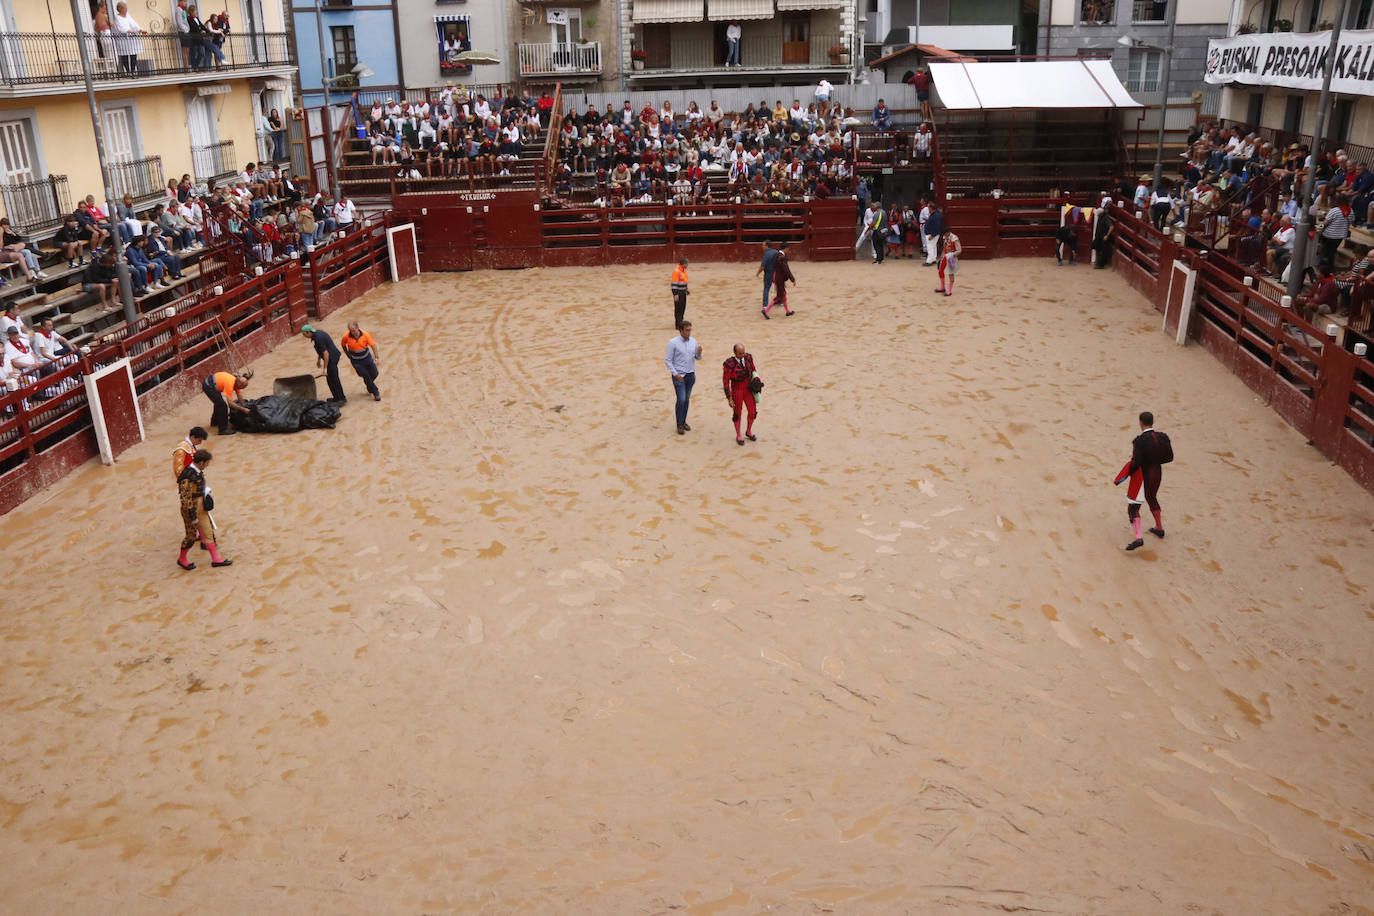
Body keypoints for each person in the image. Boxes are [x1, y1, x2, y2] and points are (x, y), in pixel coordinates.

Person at [1114, 410, 1171, 551]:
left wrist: (1128, 473)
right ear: (1152, 422)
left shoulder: (1139, 441)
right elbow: (1170, 457)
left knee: (1133, 506)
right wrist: (1155, 461)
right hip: (1157, 471)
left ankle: (1138, 537)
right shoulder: (1163, 437)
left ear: (1140, 422)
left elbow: (1136, 462)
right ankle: (1159, 528)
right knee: (1152, 497)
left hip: (1142, 474)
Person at [176, 449, 232, 570]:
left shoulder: (197, 472)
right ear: (201, 463)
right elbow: (186, 500)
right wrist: (193, 517)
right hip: (190, 509)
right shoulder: (187, 477)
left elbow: (199, 488)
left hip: (200, 506)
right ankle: (182, 559)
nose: (208, 465)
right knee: (190, 537)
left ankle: (216, 559)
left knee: (208, 531)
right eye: (207, 463)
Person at [665, 319, 702, 435]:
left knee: (686, 399)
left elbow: (697, 357)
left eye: (690, 330)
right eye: (686, 330)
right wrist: (676, 374)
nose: (689, 333)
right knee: (681, 399)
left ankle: (683, 421)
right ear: (680, 331)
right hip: (679, 376)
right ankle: (679, 424)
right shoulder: (673, 343)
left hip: (690, 375)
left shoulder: (693, 342)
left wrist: (699, 353)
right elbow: (668, 360)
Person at [722, 343, 758, 446]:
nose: (742, 355)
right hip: (736, 389)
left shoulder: (748, 357)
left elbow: (754, 370)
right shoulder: (729, 364)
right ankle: (738, 435)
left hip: (748, 388)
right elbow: (725, 382)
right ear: (735, 353)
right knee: (737, 413)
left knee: (752, 411)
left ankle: (748, 431)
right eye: (740, 354)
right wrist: (729, 398)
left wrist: (756, 379)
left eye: (743, 353)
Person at [301, 324, 346, 404]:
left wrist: (325, 369)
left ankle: (341, 399)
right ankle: (336, 397)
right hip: (331, 357)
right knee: (330, 379)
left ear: (308, 332)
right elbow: (321, 349)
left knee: (333, 379)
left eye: (304, 334)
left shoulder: (318, 338)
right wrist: (318, 360)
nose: (304, 336)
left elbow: (326, 353)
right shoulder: (317, 333)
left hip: (331, 358)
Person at [340, 321, 382, 401]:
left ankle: (369, 386)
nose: (352, 332)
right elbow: (343, 345)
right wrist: (347, 354)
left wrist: (376, 357)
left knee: (375, 373)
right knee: (366, 375)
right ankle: (375, 392)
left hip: (367, 358)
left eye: (353, 330)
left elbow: (373, 345)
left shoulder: (365, 335)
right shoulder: (346, 337)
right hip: (356, 362)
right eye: (350, 331)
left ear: (358, 328)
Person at [201, 369, 252, 435]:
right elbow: (230, 403)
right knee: (222, 406)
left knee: (219, 403)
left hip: (213, 384)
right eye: (242, 387)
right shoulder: (230, 384)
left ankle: (214, 422)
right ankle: (223, 429)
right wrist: (243, 409)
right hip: (208, 386)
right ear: (238, 384)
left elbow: (239, 396)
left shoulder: (236, 382)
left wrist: (244, 405)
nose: (242, 389)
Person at [111, 2, 147, 74]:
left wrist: (140, 30)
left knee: (133, 54)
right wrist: (133, 32)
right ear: (120, 9)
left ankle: (133, 70)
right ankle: (127, 71)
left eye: (126, 7)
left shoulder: (128, 16)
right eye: (124, 8)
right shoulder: (117, 18)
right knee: (125, 55)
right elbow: (122, 29)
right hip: (123, 40)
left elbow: (134, 24)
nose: (126, 9)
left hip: (132, 39)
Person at [764, 242, 795, 318]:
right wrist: (792, 279)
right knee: (779, 296)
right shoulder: (782, 257)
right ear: (786, 248)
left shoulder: (776, 254)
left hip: (775, 275)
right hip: (779, 278)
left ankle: (788, 311)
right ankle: (766, 310)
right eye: (788, 249)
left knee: (783, 294)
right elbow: (786, 269)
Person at [934, 227, 961, 297]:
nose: (944, 235)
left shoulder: (954, 238)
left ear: (949, 232)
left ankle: (949, 291)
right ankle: (942, 287)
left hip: (951, 257)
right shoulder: (945, 237)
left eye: (945, 234)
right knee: (940, 271)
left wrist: (952, 255)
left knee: (950, 273)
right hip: (945, 257)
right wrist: (941, 256)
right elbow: (944, 248)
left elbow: (959, 250)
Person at [755, 240, 779, 317]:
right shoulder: (776, 252)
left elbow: (763, 266)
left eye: (763, 245)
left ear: (767, 246)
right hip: (777, 273)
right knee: (778, 286)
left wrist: (758, 272)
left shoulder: (766, 254)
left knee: (766, 288)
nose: (762, 246)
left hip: (768, 274)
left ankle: (765, 305)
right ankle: (780, 300)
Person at [1092, 203, 1115, 269]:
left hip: (1103, 238)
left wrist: (1107, 235)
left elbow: (1111, 227)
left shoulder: (1105, 218)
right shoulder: (1101, 217)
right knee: (1097, 249)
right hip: (1099, 237)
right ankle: (1098, 263)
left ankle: (1100, 265)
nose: (1097, 215)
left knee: (1102, 251)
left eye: (1098, 214)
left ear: (1101, 214)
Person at [670, 256, 690, 329]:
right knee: (678, 309)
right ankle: (678, 325)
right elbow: (674, 284)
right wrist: (675, 294)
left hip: (683, 292)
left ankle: (680, 323)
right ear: (683, 264)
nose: (687, 265)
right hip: (678, 293)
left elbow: (683, 281)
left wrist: (686, 289)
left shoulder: (683, 270)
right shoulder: (677, 271)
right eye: (687, 264)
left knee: (682, 308)